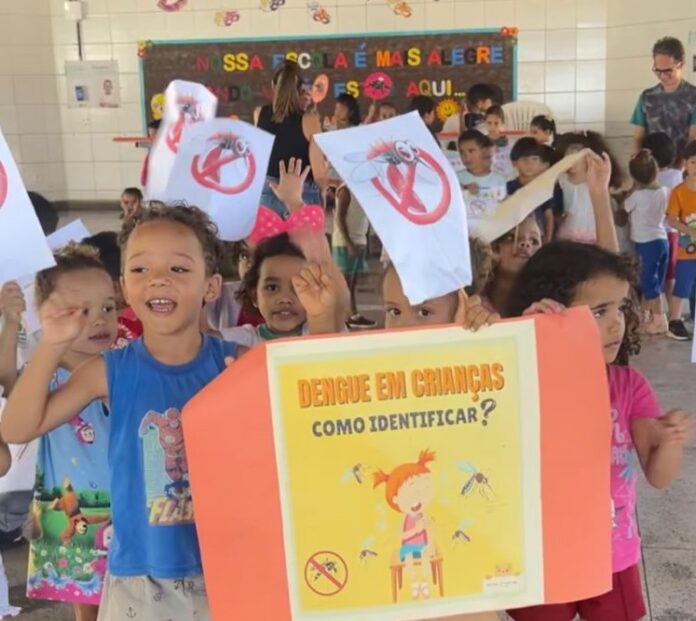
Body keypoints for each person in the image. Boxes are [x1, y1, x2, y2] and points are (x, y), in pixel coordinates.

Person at [0, 205, 237, 620]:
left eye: (179, 269)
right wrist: (52, 344)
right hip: (138, 579)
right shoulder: (107, 372)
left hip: (229, 568)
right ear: (125, 286)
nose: (158, 279)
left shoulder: (239, 364)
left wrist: (325, 315)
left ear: (212, 286)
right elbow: (17, 428)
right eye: (141, 269)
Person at [505, 241, 691, 621]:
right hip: (543, 557)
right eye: (599, 311)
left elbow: (658, 476)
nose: (616, 323)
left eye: (620, 307)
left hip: (612, 556)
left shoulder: (628, 387)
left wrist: (670, 442)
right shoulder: (523, 379)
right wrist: (526, 340)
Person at [1, 245, 117, 621]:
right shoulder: (44, 375)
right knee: (87, 608)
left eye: (108, 307)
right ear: (46, 316)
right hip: (69, 514)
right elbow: (10, 390)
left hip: (128, 513)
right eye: (79, 311)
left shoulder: (125, 365)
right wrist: (12, 322)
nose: (98, 320)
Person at [256, 60, 325, 215]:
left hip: (267, 193)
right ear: (300, 89)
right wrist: (324, 195)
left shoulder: (259, 114)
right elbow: (319, 173)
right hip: (302, 193)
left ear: (273, 85)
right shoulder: (310, 120)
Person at [623, 150, 669, 335]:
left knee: (649, 285)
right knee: (652, 282)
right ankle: (645, 317)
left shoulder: (638, 196)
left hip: (646, 243)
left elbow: (625, 207)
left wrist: (632, 188)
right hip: (662, 240)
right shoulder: (664, 191)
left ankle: (659, 321)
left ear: (634, 177)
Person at [630, 37, 696, 157]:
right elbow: (637, 138)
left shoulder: (693, 97)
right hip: (652, 165)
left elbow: (693, 139)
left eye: (668, 71)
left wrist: (680, 165)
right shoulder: (646, 98)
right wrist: (637, 160)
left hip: (685, 166)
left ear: (681, 64)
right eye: (658, 71)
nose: (663, 76)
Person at [553, 132, 623, 244]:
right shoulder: (562, 178)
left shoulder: (598, 180)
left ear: (589, 160)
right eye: (568, 160)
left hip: (592, 228)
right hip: (568, 227)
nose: (571, 165)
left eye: (576, 160)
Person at [642, 131, 683, 305]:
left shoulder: (646, 178)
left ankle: (649, 313)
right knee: (671, 276)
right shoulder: (677, 175)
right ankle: (673, 314)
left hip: (650, 235)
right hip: (672, 233)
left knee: (650, 276)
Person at [665, 140, 696, 340]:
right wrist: (690, 231)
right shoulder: (678, 192)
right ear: (685, 163)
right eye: (693, 162)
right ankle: (674, 321)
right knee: (682, 285)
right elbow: (671, 219)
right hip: (687, 251)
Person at [333, 184, 375, 329]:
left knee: (352, 284)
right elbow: (339, 218)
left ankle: (352, 315)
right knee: (344, 284)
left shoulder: (362, 191)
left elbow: (364, 219)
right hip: (345, 243)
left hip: (359, 241)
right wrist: (349, 243)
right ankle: (343, 316)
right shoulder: (346, 191)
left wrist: (366, 242)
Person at [506, 137, 556, 242]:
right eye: (525, 159)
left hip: (537, 239)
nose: (530, 164)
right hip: (514, 238)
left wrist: (548, 240)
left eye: (534, 159)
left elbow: (548, 215)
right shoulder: (508, 187)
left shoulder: (543, 188)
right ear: (514, 162)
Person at [456, 130, 507, 217]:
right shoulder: (456, 178)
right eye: (462, 152)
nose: (466, 156)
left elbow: (504, 209)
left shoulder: (499, 180)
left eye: (471, 151)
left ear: (484, 151)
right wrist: (464, 188)